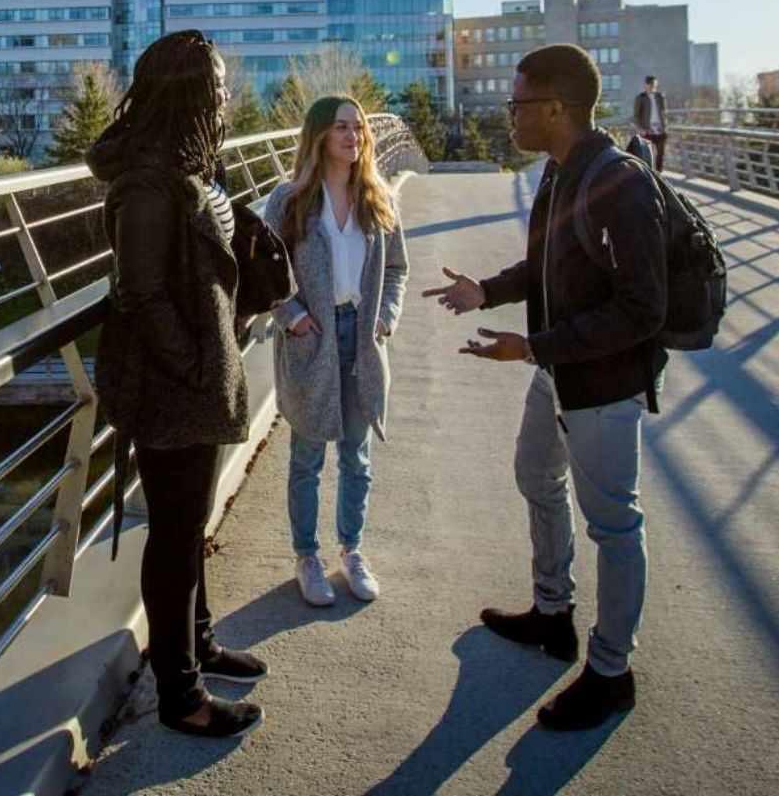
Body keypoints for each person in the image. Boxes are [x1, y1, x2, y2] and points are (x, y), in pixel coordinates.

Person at [425, 43, 668, 731]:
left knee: (614, 523)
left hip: (604, 384)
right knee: (535, 474)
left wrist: (533, 345)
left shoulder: (620, 181)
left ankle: (610, 671)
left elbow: (641, 308)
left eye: (517, 103)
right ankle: (551, 611)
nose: (509, 115)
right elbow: (546, 265)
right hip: (557, 369)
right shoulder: (558, 173)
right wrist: (487, 291)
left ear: (556, 107)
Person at [87, 30, 266, 741]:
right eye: (216, 83)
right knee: (172, 534)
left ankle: (198, 642)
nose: (225, 94)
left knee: (188, 527)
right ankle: (180, 694)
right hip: (171, 386)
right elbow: (140, 292)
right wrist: (195, 365)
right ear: (186, 91)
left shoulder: (189, 164)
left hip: (197, 374)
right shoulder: (147, 181)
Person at [262, 96, 409, 607]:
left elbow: (396, 270)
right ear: (319, 135)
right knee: (307, 456)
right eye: (342, 127)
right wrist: (293, 317)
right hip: (314, 337)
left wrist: (386, 318)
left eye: (360, 127)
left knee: (357, 455)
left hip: (363, 338)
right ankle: (307, 556)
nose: (355, 136)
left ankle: (351, 550)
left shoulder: (379, 197)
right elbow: (266, 274)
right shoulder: (289, 199)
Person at [633, 75, 669, 173]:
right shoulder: (640, 98)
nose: (653, 86)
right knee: (648, 154)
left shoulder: (660, 96)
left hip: (660, 129)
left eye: (655, 84)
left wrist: (665, 126)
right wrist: (640, 129)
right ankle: (648, 172)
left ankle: (658, 173)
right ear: (646, 85)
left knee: (661, 153)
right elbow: (636, 116)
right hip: (647, 129)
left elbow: (664, 112)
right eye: (651, 84)